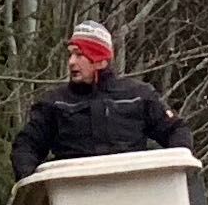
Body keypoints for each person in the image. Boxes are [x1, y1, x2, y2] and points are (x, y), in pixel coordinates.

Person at [10, 20, 189, 179]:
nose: (71, 61)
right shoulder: (54, 103)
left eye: (79, 55)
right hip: (73, 195)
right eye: (70, 55)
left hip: (132, 192)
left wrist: (173, 172)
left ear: (100, 60)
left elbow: (176, 130)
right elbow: (26, 146)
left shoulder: (138, 96)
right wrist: (32, 185)